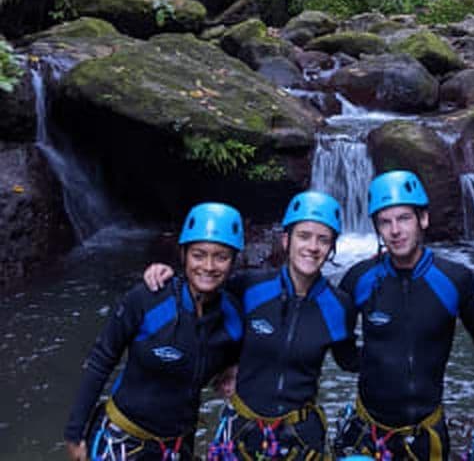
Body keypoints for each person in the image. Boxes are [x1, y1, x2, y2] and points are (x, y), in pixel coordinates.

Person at [144, 191, 357, 460]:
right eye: (304, 236)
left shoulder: (340, 306)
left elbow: (350, 360)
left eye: (323, 239)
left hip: (301, 434)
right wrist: (166, 275)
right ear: (286, 239)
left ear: (332, 246)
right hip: (243, 428)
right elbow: (201, 293)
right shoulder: (249, 287)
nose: (312, 247)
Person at [64, 202, 245, 460]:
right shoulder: (148, 299)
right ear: (183, 255)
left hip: (178, 445)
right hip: (122, 442)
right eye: (198, 254)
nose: (208, 266)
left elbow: (248, 357)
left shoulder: (234, 317)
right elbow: (101, 360)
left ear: (233, 260)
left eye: (221, 256)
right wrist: (74, 433)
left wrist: (232, 370)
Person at [334, 169, 474, 460]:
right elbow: (333, 338)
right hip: (368, 429)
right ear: (377, 228)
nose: (395, 230)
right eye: (385, 222)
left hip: (426, 431)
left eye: (404, 218)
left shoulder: (455, 280)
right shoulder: (360, 278)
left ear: (423, 220)